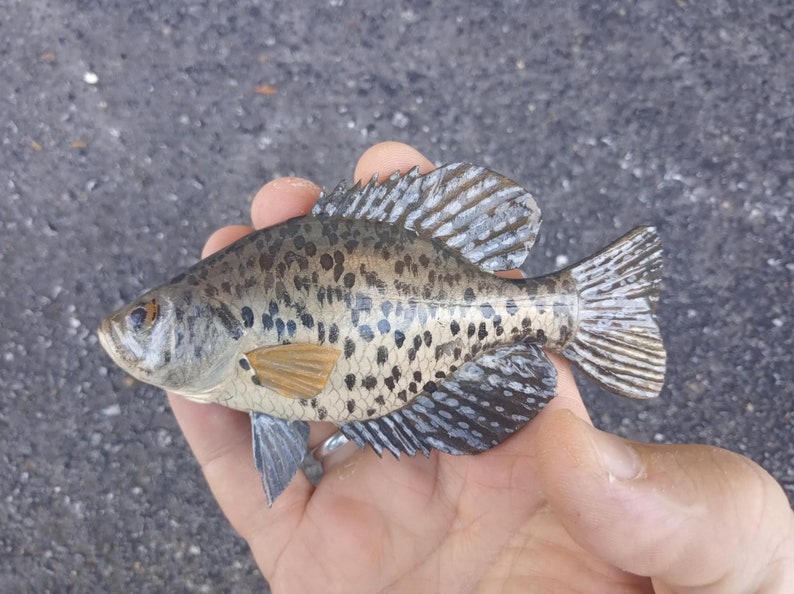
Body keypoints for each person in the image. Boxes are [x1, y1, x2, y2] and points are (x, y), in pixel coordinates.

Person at [167, 142, 793, 593]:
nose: (131, 332)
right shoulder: (243, 371)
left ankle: (574, 305)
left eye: (151, 319)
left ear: (206, 316)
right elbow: (294, 384)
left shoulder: (245, 363)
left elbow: (300, 379)